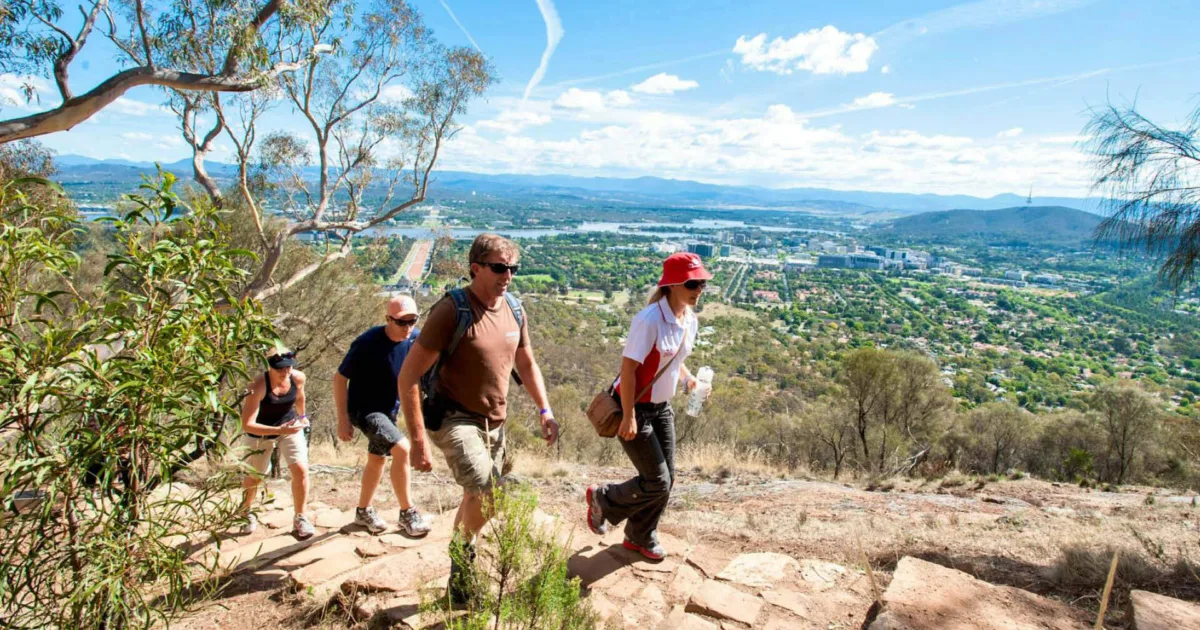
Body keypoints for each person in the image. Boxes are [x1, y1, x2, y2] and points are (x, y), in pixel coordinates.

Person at [398, 233, 559, 605]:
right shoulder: (452, 311)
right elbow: (407, 377)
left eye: (513, 268)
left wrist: (545, 409)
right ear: (475, 268)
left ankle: (459, 570)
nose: (508, 276)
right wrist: (418, 442)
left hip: (494, 422)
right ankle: (463, 557)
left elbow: (526, 362)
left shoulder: (515, 309)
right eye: (499, 268)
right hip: (453, 418)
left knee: (475, 495)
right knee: (488, 492)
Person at [585, 252, 711, 561]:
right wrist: (628, 415)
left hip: (661, 407)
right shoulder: (649, 320)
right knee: (657, 481)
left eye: (702, 284)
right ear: (671, 285)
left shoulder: (689, 320)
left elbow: (674, 360)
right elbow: (628, 371)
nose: (699, 290)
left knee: (667, 480)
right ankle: (603, 498)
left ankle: (639, 536)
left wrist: (689, 380)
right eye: (692, 284)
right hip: (635, 407)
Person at [334, 295, 432, 536]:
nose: (408, 327)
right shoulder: (367, 342)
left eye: (412, 321)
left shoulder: (415, 339)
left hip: (388, 411)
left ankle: (363, 511)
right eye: (401, 322)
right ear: (388, 319)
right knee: (402, 448)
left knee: (377, 459)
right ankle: (407, 513)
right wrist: (343, 420)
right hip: (364, 410)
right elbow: (339, 379)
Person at [238, 346, 313, 539]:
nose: (284, 372)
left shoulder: (297, 378)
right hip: (260, 432)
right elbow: (247, 425)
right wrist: (278, 431)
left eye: (288, 367)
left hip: (288, 426)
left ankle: (300, 517)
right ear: (269, 366)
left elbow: (300, 396)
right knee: (255, 477)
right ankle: (245, 512)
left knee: (300, 469)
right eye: (279, 368)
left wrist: (302, 416)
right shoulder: (257, 386)